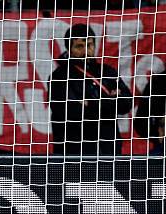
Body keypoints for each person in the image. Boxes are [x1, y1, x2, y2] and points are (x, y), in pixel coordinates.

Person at [48, 24, 133, 156]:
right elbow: (72, 112)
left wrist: (90, 103)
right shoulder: (59, 77)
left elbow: (126, 103)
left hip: (108, 151)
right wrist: (109, 101)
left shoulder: (108, 71)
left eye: (89, 45)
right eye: (79, 46)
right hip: (74, 153)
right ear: (69, 49)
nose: (86, 51)